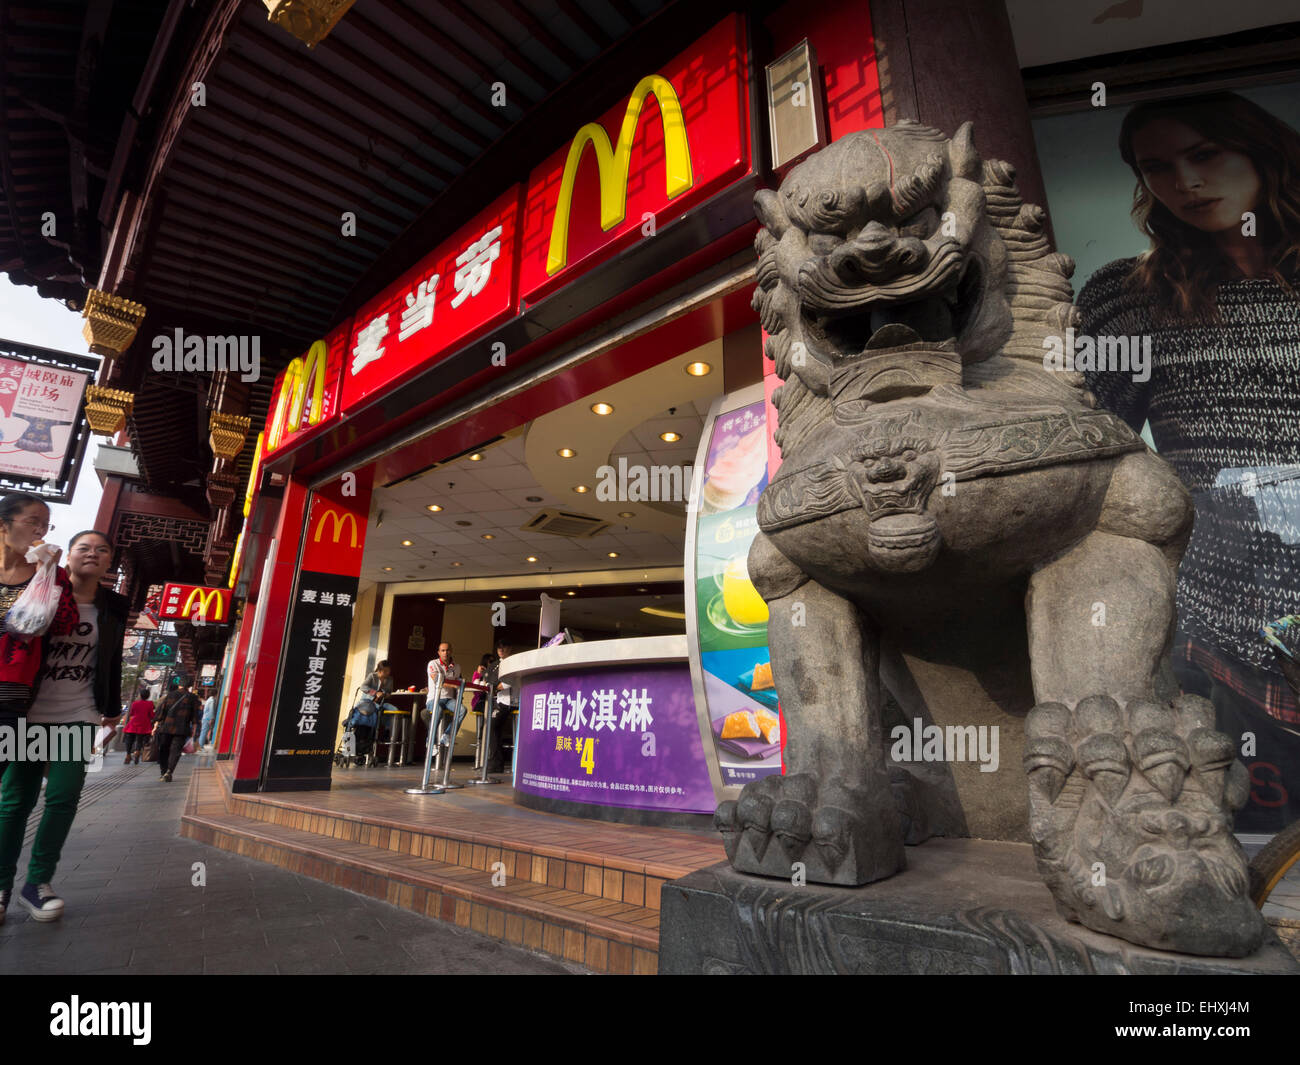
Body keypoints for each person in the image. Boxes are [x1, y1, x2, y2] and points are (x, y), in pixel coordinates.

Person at [1077, 91, 1300, 829]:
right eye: (1159, 167)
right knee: (1245, 843)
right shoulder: (1131, 296)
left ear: (1259, 149)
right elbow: (1092, 447)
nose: (1185, 181)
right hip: (1216, 616)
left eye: (1205, 155)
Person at [0, 529, 127, 923]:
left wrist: (110, 705)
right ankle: (2, 884)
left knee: (62, 796)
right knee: (16, 799)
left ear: (109, 563)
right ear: (68, 556)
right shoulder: (41, 590)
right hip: (27, 709)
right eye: (84, 548)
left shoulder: (114, 606)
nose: (92, 554)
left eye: (101, 550)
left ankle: (36, 883)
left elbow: (111, 658)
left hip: (77, 712)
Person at [0, 494, 79, 795]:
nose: (40, 532)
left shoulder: (52, 575)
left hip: (11, 699)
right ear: (3, 524)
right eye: (33, 522)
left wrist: (48, 574)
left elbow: (63, 625)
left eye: (45, 525)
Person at [152, 679, 200, 782]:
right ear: (190, 686)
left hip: (167, 727)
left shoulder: (170, 695)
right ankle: (169, 771)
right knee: (175, 751)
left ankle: (163, 772)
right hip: (182, 728)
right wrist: (194, 731)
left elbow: (161, 712)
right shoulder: (193, 698)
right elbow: (195, 717)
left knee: (164, 749)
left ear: (179, 685)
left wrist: (155, 726)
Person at [485, 641, 517, 775]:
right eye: (499, 647)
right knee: (491, 727)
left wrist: (493, 684)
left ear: (510, 648)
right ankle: (496, 764)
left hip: (514, 702)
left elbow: (504, 685)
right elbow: (487, 681)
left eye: (504, 647)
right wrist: (492, 684)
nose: (501, 649)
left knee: (493, 726)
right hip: (500, 700)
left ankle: (495, 764)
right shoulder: (495, 665)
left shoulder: (514, 662)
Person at [422, 642, 462, 749]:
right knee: (438, 711)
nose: (445, 653)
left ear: (451, 651)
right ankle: (430, 742)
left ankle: (447, 735)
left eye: (447, 650)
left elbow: (460, 683)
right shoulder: (432, 664)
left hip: (449, 699)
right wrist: (454, 685)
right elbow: (437, 681)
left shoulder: (457, 667)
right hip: (434, 699)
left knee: (462, 710)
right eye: (443, 650)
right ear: (439, 652)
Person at [123, 687, 154, 764]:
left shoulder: (135, 703)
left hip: (133, 723)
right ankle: (137, 751)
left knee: (129, 740)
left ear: (140, 695)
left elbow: (132, 713)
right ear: (148, 696)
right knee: (139, 740)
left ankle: (128, 755)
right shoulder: (150, 704)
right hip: (144, 724)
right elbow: (151, 715)